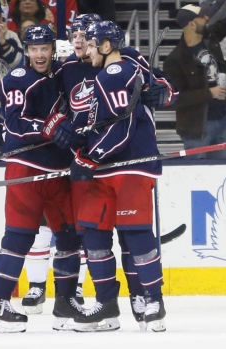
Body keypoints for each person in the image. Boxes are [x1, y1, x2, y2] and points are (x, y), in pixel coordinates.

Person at [54, 13, 175, 330]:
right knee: (93, 235)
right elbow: (105, 123)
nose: (85, 48)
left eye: (91, 42)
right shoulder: (97, 72)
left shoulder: (116, 70)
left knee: (136, 235)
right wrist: (80, 141)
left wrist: (88, 157)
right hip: (105, 169)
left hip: (130, 166)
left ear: (107, 45)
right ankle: (107, 305)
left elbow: (122, 129)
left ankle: (153, 303)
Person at [0, 24, 82, 333]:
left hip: (59, 170)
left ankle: (65, 302)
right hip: (26, 169)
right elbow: (14, 124)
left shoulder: (62, 74)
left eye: (45, 48)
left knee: (68, 236)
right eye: (34, 49)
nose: (40, 55)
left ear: (53, 48)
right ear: (25, 50)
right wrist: (50, 125)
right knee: (19, 236)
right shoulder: (16, 79)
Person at [163, 1, 226, 159]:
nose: (207, 17)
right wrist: (209, 93)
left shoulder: (211, 37)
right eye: (201, 16)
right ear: (191, 24)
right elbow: (175, 98)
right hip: (196, 129)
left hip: (221, 119)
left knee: (225, 172)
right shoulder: (175, 60)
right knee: (197, 174)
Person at [8, 0, 79, 36]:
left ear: (38, 7)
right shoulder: (10, 27)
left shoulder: (47, 26)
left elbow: (72, 28)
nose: (27, 2)